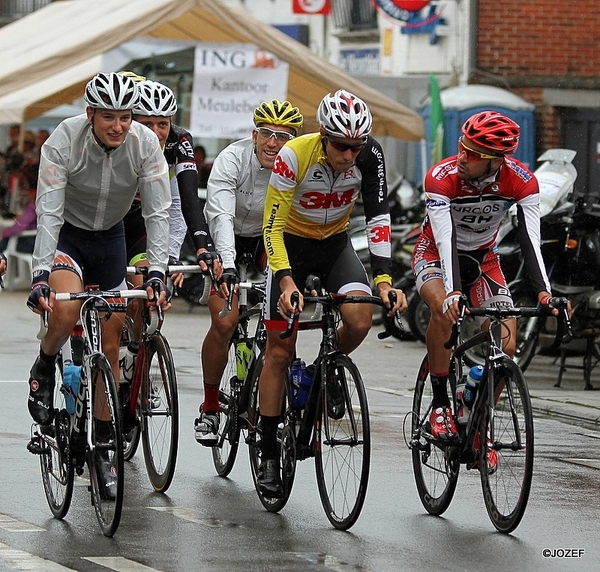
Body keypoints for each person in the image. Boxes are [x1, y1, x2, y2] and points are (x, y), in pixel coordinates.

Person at [25, 72, 171, 495]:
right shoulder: (63, 140)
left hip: (111, 239)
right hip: (69, 234)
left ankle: (103, 447)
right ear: (89, 114)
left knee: (110, 345)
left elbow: (158, 213)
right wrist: (39, 277)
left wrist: (158, 271)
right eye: (108, 117)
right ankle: (45, 362)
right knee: (67, 308)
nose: (118, 126)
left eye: (125, 117)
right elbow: (48, 210)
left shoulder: (144, 143)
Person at [256, 89, 408, 496]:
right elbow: (271, 226)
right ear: (323, 136)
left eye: (355, 146)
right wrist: (286, 280)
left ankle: (322, 367)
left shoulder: (369, 156)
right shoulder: (294, 154)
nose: (348, 154)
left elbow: (378, 218)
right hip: (290, 246)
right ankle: (268, 451)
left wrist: (384, 281)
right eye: (341, 146)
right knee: (279, 352)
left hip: (336, 246)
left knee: (360, 317)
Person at [411, 111, 555, 455]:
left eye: (473, 153)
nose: (462, 156)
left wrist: (545, 293)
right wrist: (454, 291)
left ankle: (478, 423)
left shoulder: (521, 181)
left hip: (484, 261)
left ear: (496, 161)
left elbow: (530, 241)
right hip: (434, 254)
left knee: (506, 347)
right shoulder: (441, 178)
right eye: (462, 146)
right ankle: (442, 404)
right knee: (444, 312)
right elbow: (445, 240)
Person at [194, 99, 304, 445]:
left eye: (283, 137)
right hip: (225, 238)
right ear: (254, 135)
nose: (274, 143)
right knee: (225, 322)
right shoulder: (231, 159)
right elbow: (222, 216)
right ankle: (211, 407)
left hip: (266, 243)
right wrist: (227, 266)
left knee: (282, 319)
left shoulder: (297, 166)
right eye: (267, 134)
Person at [123, 77, 219, 341]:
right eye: (147, 124)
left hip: (142, 225)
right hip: (108, 224)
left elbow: (183, 202)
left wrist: (180, 252)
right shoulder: (120, 140)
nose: (156, 131)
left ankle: (134, 355)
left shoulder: (179, 141)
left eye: (163, 124)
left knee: (147, 297)